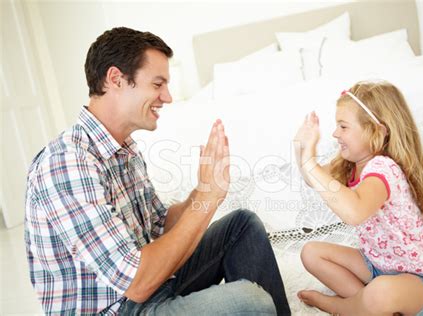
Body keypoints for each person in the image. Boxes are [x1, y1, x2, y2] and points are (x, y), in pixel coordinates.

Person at [24, 27, 290, 315]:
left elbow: (160, 226)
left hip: (153, 287)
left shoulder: (125, 149)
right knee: (251, 302)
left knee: (241, 225)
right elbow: (137, 283)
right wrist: (207, 200)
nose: (168, 97)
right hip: (119, 307)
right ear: (116, 79)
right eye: (157, 84)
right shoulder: (67, 163)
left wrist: (202, 191)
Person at [292, 81, 423, 315]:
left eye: (343, 126)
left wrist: (309, 162)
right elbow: (314, 179)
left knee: (381, 292)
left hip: (422, 281)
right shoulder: (350, 164)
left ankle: (339, 306)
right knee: (311, 252)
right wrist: (301, 150)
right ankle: (364, 303)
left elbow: (355, 212)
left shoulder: (383, 168)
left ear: (376, 131)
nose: (335, 133)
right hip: (378, 264)